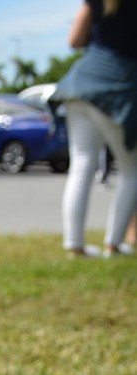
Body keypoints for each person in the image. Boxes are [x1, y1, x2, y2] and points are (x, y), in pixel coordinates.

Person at [55, 0, 137, 256]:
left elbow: (75, 40)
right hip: (114, 86)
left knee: (81, 165)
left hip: (79, 84)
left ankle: (74, 246)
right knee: (132, 171)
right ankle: (114, 244)